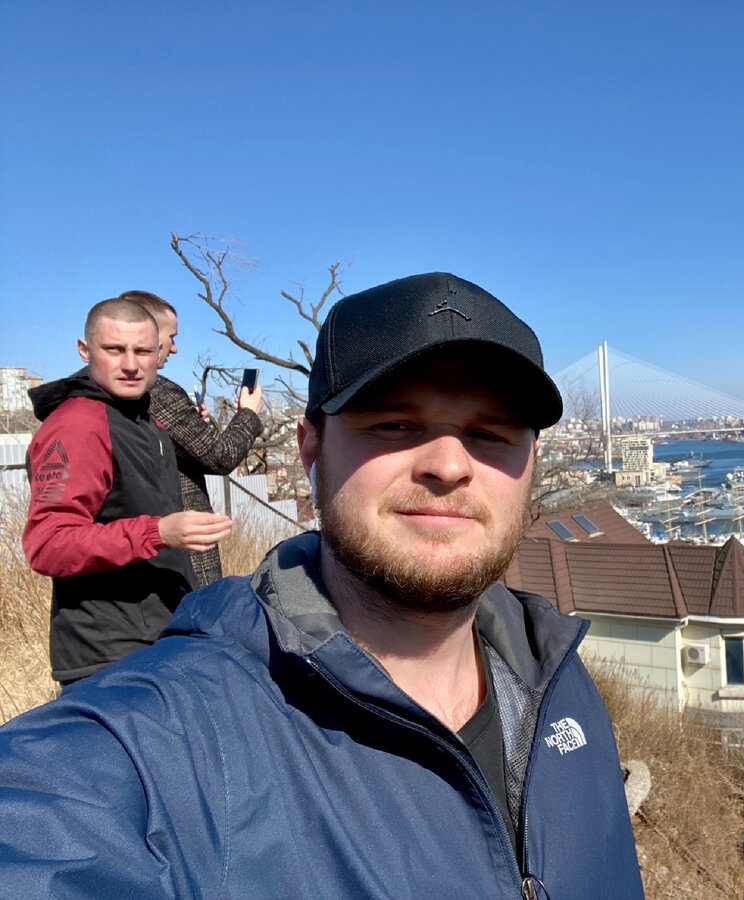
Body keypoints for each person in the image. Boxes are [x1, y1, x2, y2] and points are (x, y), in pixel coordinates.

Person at [0, 273, 644, 898]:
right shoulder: (171, 742)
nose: (449, 465)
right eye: (393, 424)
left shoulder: (557, 680)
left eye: (490, 434)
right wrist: (155, 532)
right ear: (311, 450)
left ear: (531, 463)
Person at [22, 298, 233, 685]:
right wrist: (158, 532)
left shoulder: (145, 420)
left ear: (159, 352)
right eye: (114, 349)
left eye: (143, 351)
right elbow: (48, 544)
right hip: (108, 657)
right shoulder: (78, 426)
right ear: (85, 350)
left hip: (159, 640)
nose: (131, 364)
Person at [119, 290, 265, 585]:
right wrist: (248, 414)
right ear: (150, 334)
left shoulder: (111, 391)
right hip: (180, 557)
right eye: (171, 337)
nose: (174, 349)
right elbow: (221, 456)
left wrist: (196, 427)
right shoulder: (154, 390)